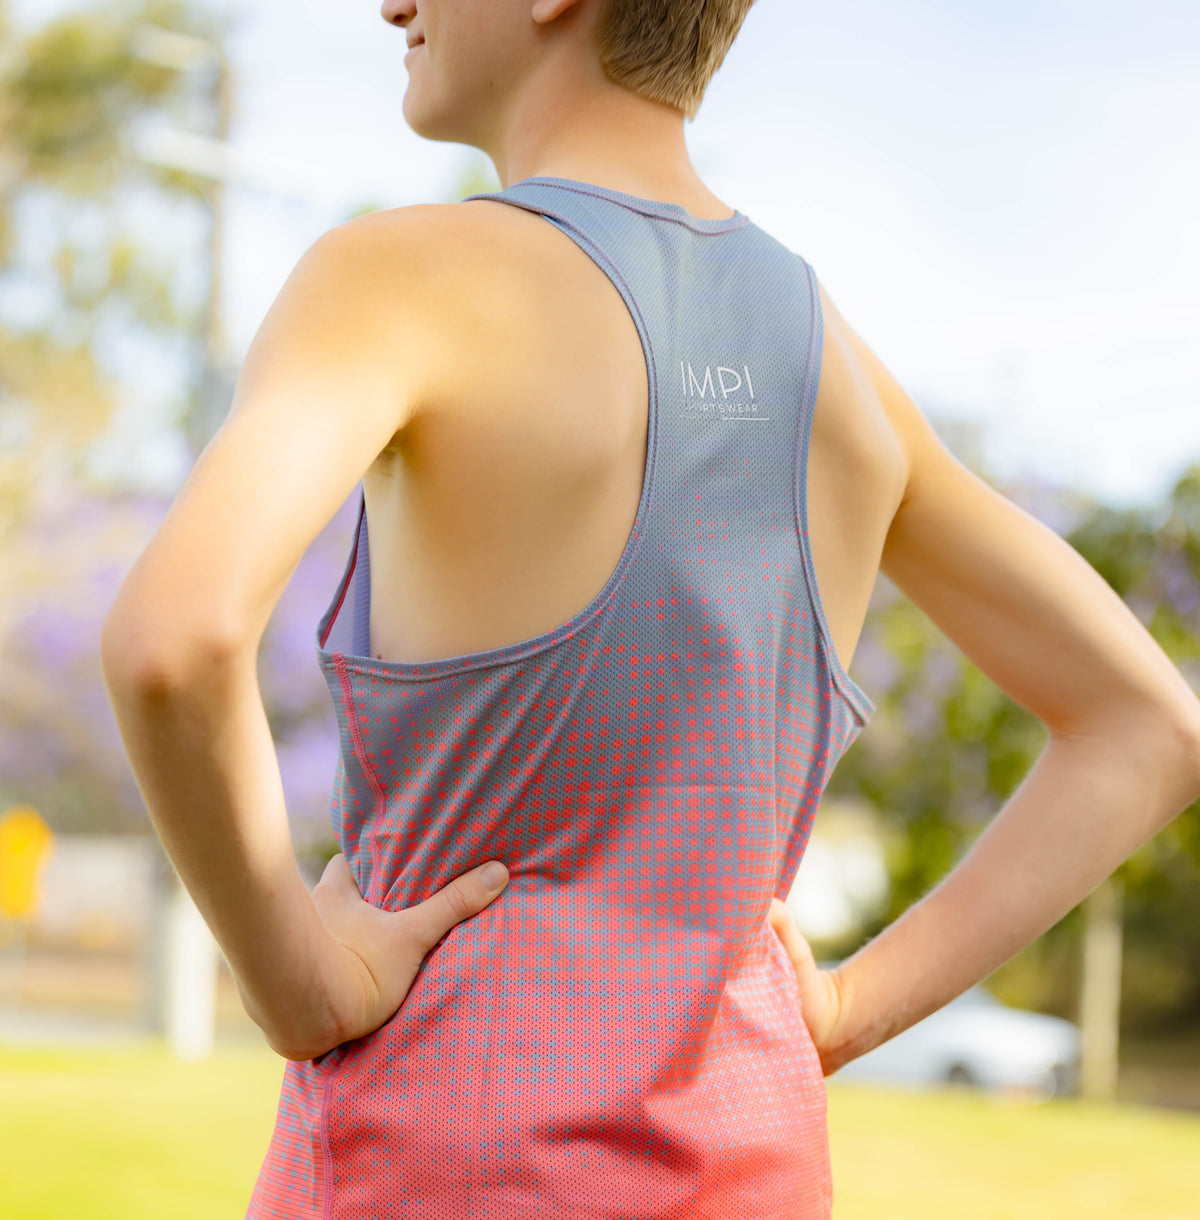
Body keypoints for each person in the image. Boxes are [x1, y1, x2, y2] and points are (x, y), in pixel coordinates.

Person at [100, 1, 1200, 1216]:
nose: (391, 3)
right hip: (757, 1167)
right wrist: (840, 1007)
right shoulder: (833, 360)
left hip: (435, 1162)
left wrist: (295, 982)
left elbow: (172, 639)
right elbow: (1149, 726)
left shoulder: (399, 276)